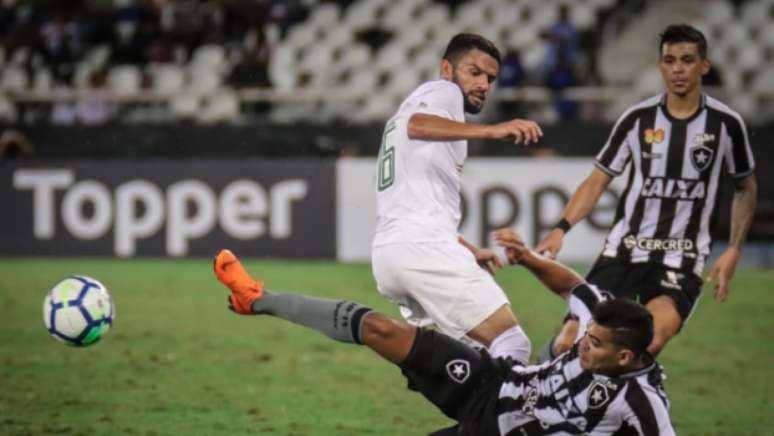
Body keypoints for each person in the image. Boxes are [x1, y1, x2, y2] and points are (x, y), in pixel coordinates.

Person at [212, 241, 675, 435]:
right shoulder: (603, 316)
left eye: (594, 345)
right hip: (493, 383)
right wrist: (528, 259)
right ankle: (257, 298)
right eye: (586, 336)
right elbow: (573, 286)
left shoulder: (642, 402)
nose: (583, 344)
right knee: (383, 329)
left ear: (626, 356)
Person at [535, 24, 758, 359]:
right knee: (572, 342)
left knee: (646, 343)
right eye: (670, 60)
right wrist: (561, 228)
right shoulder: (637, 119)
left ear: (704, 66)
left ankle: (618, 409)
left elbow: (745, 186)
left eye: (687, 60)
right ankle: (538, 387)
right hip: (623, 252)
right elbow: (598, 180)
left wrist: (734, 249)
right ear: (660, 65)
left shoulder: (726, 125)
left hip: (680, 258)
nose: (678, 69)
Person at [371, 33, 543, 364]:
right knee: (512, 344)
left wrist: (465, 248)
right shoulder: (442, 91)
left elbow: (416, 201)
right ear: (447, 69)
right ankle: (504, 417)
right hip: (422, 247)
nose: (483, 84)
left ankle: (473, 416)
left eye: (490, 79)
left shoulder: (414, 109)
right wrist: (493, 130)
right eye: (474, 72)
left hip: (391, 252)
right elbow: (417, 125)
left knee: (472, 358)